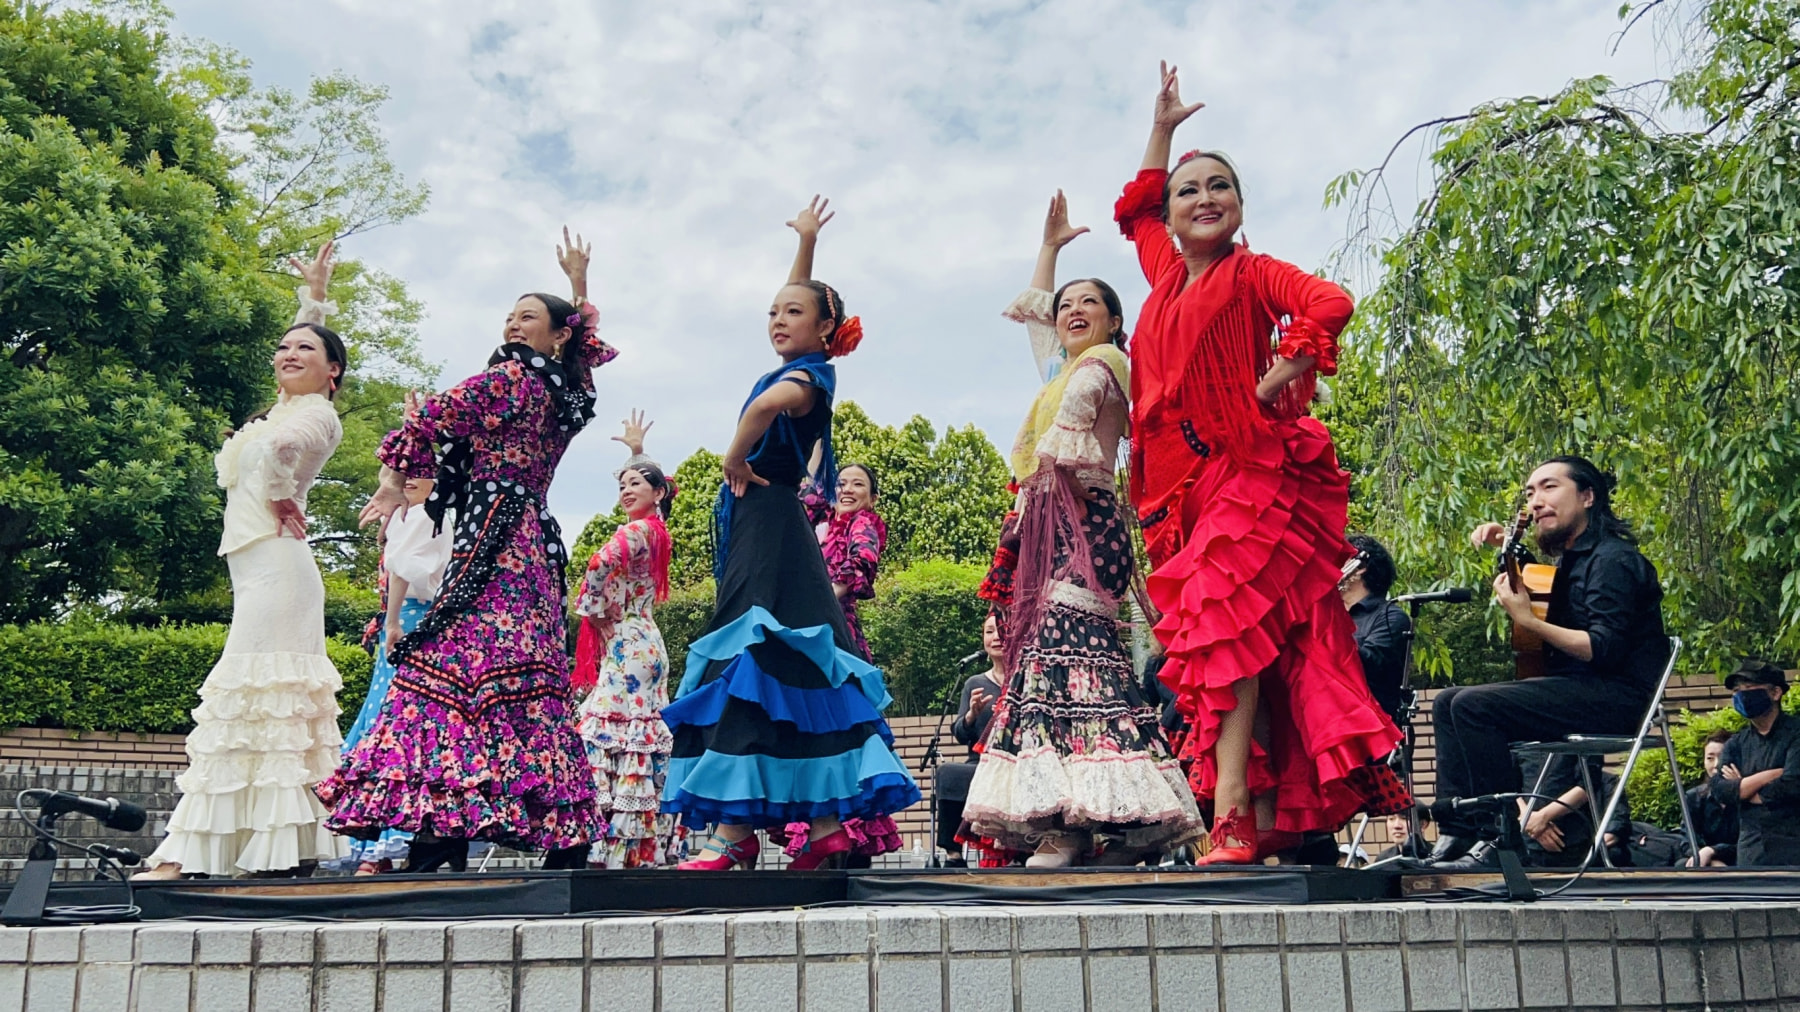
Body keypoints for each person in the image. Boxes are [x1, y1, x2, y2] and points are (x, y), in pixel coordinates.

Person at [1115, 64, 1404, 865]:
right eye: (1189, 191)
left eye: (1220, 187)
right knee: (1248, 650)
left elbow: (1329, 303)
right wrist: (1164, 127)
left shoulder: (1253, 272)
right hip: (1173, 493)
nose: (1203, 198)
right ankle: (1275, 811)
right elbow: (1133, 207)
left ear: (1239, 205)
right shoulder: (1164, 274)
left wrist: (1278, 375)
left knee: (1227, 629)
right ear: (1173, 216)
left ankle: (1233, 810)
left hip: (1247, 473)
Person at [320, 228, 616, 872]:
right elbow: (585, 357)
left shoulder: (506, 380)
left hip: (490, 545)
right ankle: (555, 830)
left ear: (554, 334)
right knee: (528, 675)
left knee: (455, 667)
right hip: (532, 545)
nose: (513, 324)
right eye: (509, 316)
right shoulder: (566, 396)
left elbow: (422, 422)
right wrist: (578, 291)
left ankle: (441, 829)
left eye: (528, 317)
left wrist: (399, 483)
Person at [660, 197, 919, 871]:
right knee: (794, 669)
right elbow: (799, 308)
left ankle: (733, 837)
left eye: (793, 313)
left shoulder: (808, 378)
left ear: (826, 327)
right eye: (771, 312)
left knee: (749, 664)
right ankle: (827, 828)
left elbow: (774, 401)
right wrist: (805, 245)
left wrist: (732, 457)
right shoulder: (805, 362)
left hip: (769, 530)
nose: (777, 319)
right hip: (778, 534)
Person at [965, 189, 1199, 868]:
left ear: (1114, 320)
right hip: (1042, 531)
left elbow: (1078, 419)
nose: (1071, 310)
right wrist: (1051, 248)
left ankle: (1076, 826)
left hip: (1088, 526)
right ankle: (1087, 822)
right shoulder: (1060, 371)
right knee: (1046, 665)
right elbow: (1036, 325)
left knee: (1074, 663)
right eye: (1066, 302)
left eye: (1087, 302)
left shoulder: (1110, 367)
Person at [136, 246, 350, 880]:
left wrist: (284, 492)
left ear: (333, 371)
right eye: (284, 348)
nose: (290, 355)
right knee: (256, 707)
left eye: (307, 351)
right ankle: (244, 853)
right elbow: (280, 423)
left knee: (253, 701)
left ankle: (188, 856)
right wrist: (313, 300)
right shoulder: (284, 407)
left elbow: (291, 445)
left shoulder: (315, 415)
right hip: (254, 568)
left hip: (279, 572)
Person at [1431, 455, 1668, 868]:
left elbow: (1602, 648)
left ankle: (1501, 839)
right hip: (1581, 691)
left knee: (1472, 706)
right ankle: (1461, 830)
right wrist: (1509, 547)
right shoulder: (1575, 560)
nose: (1535, 500)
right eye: (1529, 492)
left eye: (1549, 487)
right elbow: (1551, 597)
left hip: (1619, 698)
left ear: (1588, 496)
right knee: (1447, 701)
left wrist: (1526, 621)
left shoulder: (1614, 561)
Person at [570, 410, 686, 868]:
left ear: (656, 493)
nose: (625, 490)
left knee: (611, 731)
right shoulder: (656, 530)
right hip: (645, 641)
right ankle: (639, 846)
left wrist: (593, 613)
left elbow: (597, 564)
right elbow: (657, 481)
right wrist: (637, 454)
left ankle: (609, 848)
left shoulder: (636, 530)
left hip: (626, 642)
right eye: (622, 485)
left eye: (636, 483)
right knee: (636, 734)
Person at [338, 467, 453, 874]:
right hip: (407, 620)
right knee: (390, 728)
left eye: (422, 473)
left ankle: (385, 844)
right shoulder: (410, 514)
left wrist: (390, 623)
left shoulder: (430, 516)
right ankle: (384, 843)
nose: (410, 479)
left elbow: (406, 570)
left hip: (411, 623)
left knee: (394, 729)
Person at [1705, 660, 1800, 866]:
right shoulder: (1736, 743)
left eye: (1749, 689)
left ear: (1775, 693)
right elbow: (1720, 789)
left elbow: (1792, 785)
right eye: (1737, 691)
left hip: (1793, 847)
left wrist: (1743, 787)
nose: (1741, 696)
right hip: (1751, 850)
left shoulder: (1796, 734)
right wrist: (1768, 776)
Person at [936, 612, 1008, 866]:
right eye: (989, 632)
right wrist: (971, 715)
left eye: (1001, 630)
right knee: (949, 773)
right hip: (981, 762)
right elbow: (959, 733)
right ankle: (953, 854)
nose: (995, 637)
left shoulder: (1024, 680)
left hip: (1016, 763)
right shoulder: (974, 682)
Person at [807, 463, 887, 661]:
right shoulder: (821, 523)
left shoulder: (861, 522)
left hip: (833, 626)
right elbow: (812, 486)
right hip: (806, 618)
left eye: (858, 484)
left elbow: (862, 559)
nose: (848, 489)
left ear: (872, 499)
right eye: (840, 484)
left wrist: (822, 600)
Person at [1342, 534, 1413, 730]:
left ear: (1360, 567)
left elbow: (1368, 665)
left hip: (1371, 728)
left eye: (1339, 557)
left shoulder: (1392, 617)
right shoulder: (1327, 614)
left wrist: (1328, 627)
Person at [1686, 728, 1739, 867]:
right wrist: (1710, 858)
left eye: (1722, 757)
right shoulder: (1694, 797)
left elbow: (1753, 840)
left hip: (1741, 860)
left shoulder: (1750, 796)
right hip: (1705, 862)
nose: (1715, 765)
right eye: (1710, 758)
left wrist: (1713, 851)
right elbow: (1686, 838)